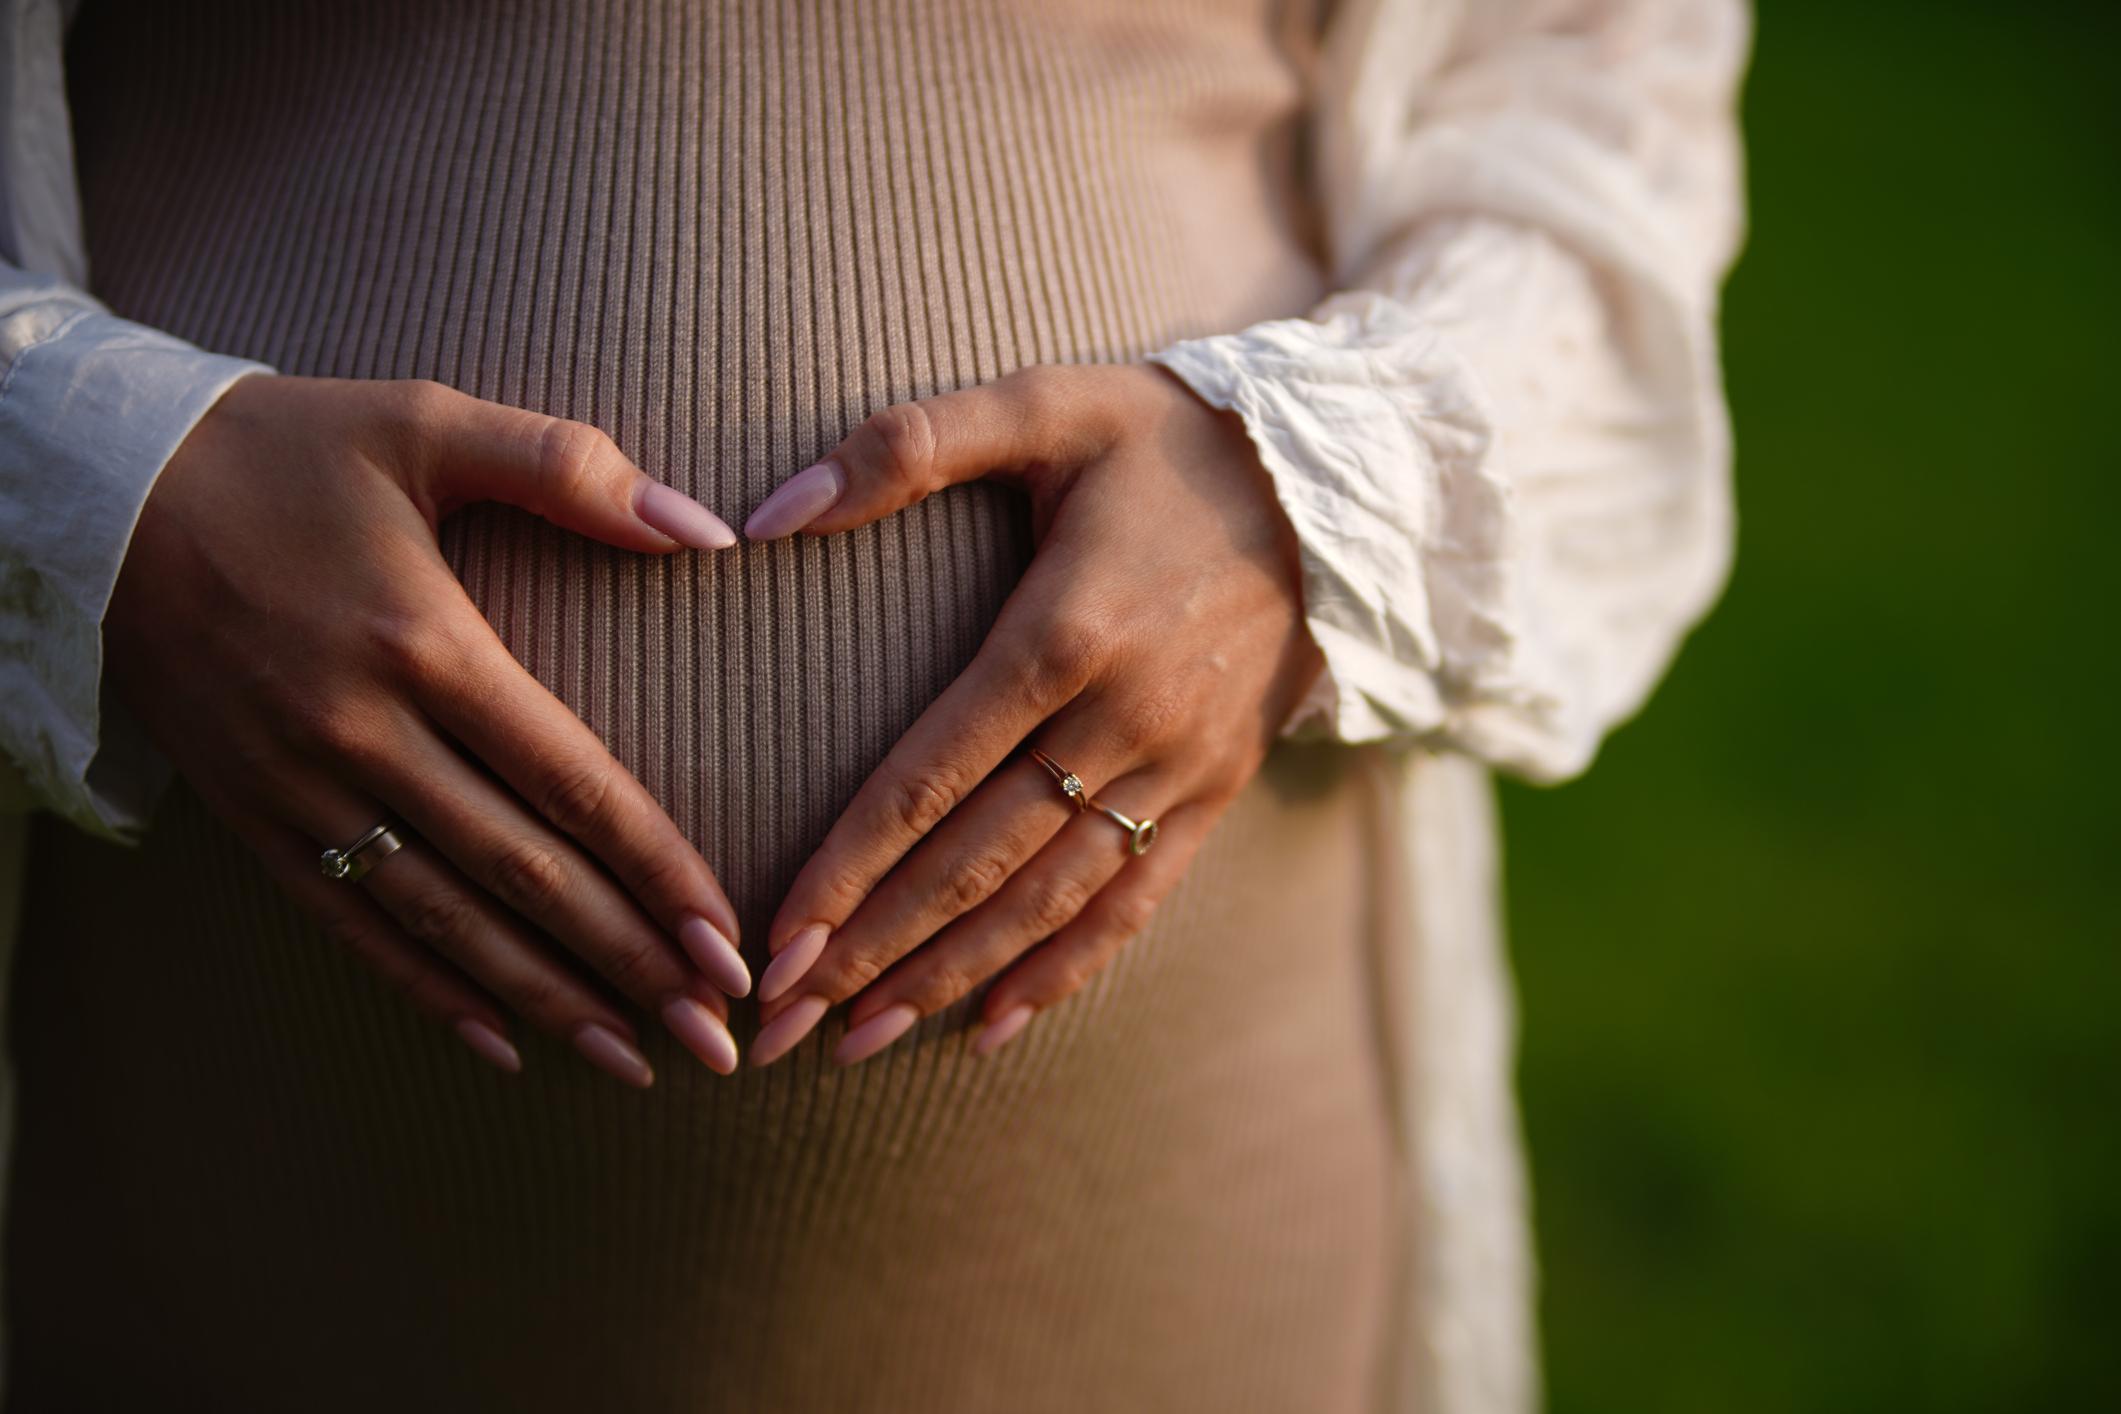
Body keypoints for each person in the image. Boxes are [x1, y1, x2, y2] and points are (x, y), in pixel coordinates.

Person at [0, 0, 1749, 1409]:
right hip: (245, 1165)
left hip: (1160, 1228)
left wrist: (1296, 500)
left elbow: (1596, 84)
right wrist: (108, 491)